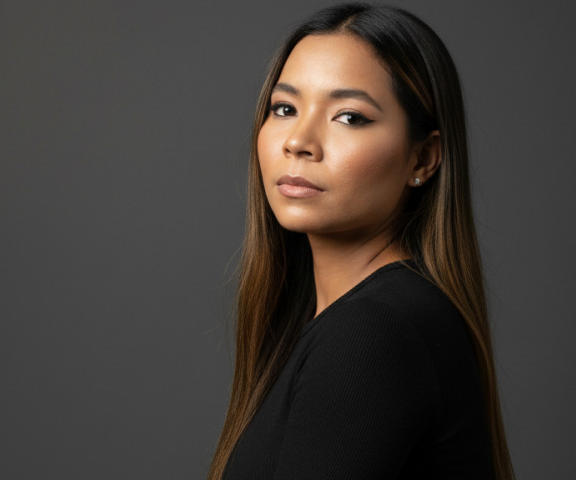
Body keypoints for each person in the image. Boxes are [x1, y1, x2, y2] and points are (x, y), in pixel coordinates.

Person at [207, 3, 515, 479]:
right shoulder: (361, 320)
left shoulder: (372, 333)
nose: (299, 141)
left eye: (349, 117)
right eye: (285, 108)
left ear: (423, 159)